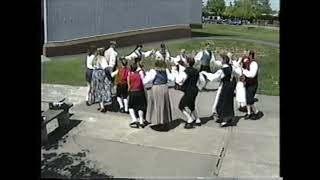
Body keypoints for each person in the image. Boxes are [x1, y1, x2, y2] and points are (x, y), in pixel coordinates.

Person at [200, 54, 238, 127]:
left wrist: (205, 73)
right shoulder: (231, 67)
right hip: (230, 88)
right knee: (229, 102)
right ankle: (228, 117)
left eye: (221, 60)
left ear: (224, 61)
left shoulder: (221, 71)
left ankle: (224, 119)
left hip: (224, 87)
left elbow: (214, 77)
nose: (221, 61)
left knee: (222, 102)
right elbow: (237, 73)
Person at [143, 60, 175, 130]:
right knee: (164, 105)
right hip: (164, 87)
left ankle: (157, 122)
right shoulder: (166, 71)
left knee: (156, 105)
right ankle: (164, 121)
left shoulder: (153, 71)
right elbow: (172, 79)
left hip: (156, 88)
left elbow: (146, 80)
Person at [174, 57, 204, 129]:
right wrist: (199, 87)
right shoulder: (196, 71)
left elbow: (179, 80)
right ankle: (197, 119)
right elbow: (202, 80)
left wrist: (175, 72)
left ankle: (189, 119)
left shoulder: (186, 72)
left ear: (187, 63)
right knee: (191, 105)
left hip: (189, 90)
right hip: (195, 89)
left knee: (181, 106)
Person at [241, 51, 263, 120]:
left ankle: (257, 112)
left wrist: (243, 70)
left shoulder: (254, 64)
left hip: (253, 84)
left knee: (250, 99)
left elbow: (252, 74)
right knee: (247, 99)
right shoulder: (246, 61)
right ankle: (249, 113)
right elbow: (242, 62)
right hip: (247, 83)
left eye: (247, 53)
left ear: (250, 55)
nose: (245, 54)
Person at [90, 48, 113, 113]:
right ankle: (103, 102)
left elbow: (92, 66)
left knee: (97, 89)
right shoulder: (102, 58)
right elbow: (105, 67)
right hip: (101, 73)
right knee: (103, 88)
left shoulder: (94, 58)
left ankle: (101, 104)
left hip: (95, 74)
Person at [127, 63, 148, 128]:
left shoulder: (129, 76)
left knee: (130, 106)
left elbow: (129, 86)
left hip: (133, 92)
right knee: (140, 107)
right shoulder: (140, 75)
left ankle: (134, 119)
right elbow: (143, 83)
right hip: (140, 92)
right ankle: (141, 121)